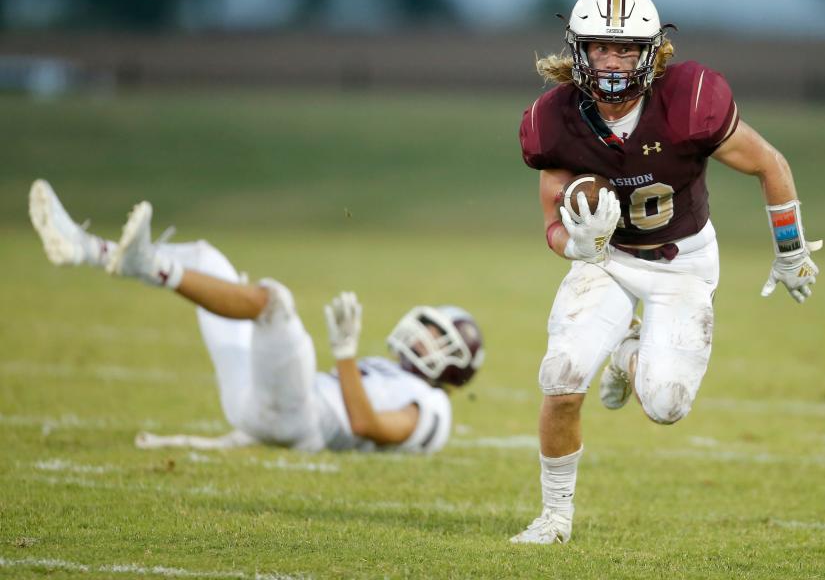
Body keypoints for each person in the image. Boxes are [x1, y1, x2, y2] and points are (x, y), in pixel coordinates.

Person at [510, 0, 822, 544]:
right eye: (601, 47)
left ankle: (627, 355)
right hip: (606, 261)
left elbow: (769, 163)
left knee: (667, 406)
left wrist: (791, 246)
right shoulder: (551, 120)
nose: (612, 60)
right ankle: (555, 517)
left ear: (652, 52)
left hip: (683, 265)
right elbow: (553, 225)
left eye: (626, 48)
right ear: (577, 50)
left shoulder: (690, 101)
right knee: (560, 379)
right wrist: (574, 247)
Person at [28, 179, 484, 454]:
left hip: (297, 417)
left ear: (454, 363)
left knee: (274, 304)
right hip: (262, 404)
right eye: (426, 328)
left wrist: (344, 353)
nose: (421, 338)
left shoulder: (434, 409)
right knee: (206, 258)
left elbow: (369, 426)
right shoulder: (391, 372)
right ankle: (86, 248)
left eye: (435, 337)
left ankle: (145, 263)